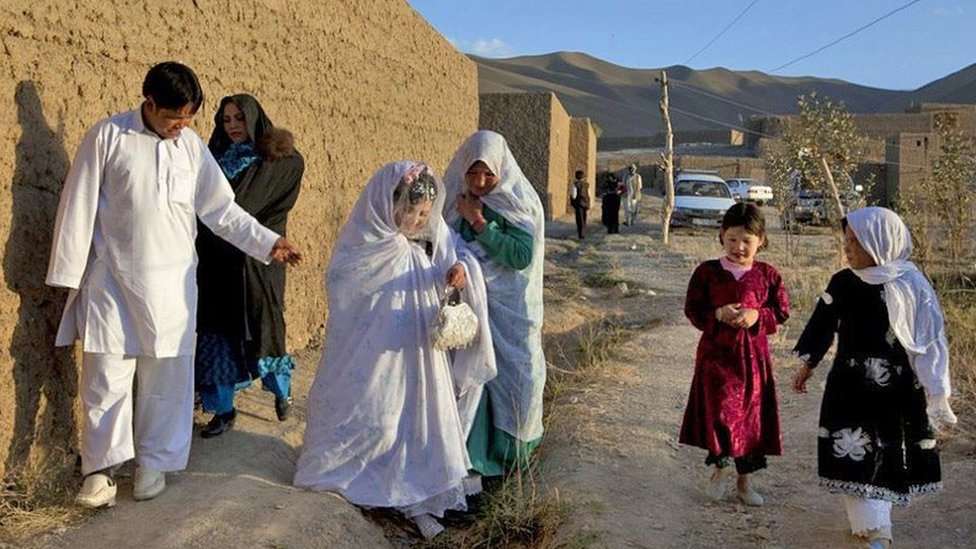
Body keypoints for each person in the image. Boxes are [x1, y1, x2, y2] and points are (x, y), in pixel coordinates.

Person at [45, 62, 302, 509]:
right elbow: (78, 205)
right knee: (107, 376)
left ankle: (153, 465)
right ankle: (101, 470)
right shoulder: (108, 137)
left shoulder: (191, 148)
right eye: (174, 117)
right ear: (149, 103)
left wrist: (268, 241)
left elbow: (222, 209)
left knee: (166, 380)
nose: (181, 126)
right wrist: (69, 279)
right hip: (113, 282)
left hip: (173, 287)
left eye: (189, 118)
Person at [294, 162, 495, 540]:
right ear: (388, 205)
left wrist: (457, 272)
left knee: (415, 422)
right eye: (411, 211)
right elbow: (342, 282)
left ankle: (414, 499)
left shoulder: (421, 248)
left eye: (424, 214)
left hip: (417, 356)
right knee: (379, 419)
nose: (419, 220)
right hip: (372, 358)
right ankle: (369, 486)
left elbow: (455, 257)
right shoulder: (363, 246)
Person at [792, 207, 957, 549]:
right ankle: (873, 530)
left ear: (879, 244)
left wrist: (937, 393)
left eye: (855, 242)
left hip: (896, 393)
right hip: (849, 389)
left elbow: (929, 342)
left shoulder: (912, 285)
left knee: (885, 453)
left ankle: (876, 529)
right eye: (846, 241)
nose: (847, 249)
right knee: (854, 455)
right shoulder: (842, 283)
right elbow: (822, 324)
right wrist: (808, 363)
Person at [194, 94, 304, 438]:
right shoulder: (213, 159)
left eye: (239, 118)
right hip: (215, 263)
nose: (233, 126)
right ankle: (222, 410)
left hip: (259, 263)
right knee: (217, 335)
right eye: (226, 120)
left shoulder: (280, 160)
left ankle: (280, 390)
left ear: (254, 118)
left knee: (265, 330)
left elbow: (242, 206)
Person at [443, 130, 547, 477]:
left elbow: (519, 256)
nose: (481, 181)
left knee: (518, 377)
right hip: (470, 309)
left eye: (488, 173)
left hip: (511, 312)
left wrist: (478, 221)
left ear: (502, 170)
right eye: (473, 173)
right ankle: (472, 461)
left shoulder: (520, 204)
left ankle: (513, 458)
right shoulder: (454, 202)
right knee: (472, 379)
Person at [679, 202, 789, 507]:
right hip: (716, 360)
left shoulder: (768, 275)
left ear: (761, 241)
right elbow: (693, 309)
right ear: (721, 236)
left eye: (747, 241)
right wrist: (717, 313)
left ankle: (744, 484)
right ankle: (719, 468)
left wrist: (757, 316)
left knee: (750, 421)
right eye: (732, 240)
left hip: (753, 361)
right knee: (723, 415)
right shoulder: (707, 272)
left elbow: (781, 312)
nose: (739, 247)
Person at [569, 169, 590, 239]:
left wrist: (571, 199)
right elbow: (589, 194)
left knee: (579, 219)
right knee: (584, 218)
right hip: (585, 203)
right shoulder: (587, 184)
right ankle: (584, 232)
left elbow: (574, 195)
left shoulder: (575, 184)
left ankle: (581, 234)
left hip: (579, 203)